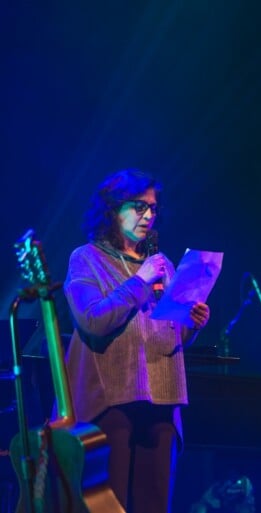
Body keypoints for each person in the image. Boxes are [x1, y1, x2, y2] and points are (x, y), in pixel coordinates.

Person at [63, 168, 210, 513]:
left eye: (153, 209)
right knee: (109, 504)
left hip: (162, 398)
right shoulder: (86, 259)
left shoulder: (162, 265)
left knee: (154, 502)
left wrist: (192, 323)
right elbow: (92, 319)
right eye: (139, 207)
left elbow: (168, 335)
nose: (149, 216)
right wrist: (140, 282)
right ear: (113, 210)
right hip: (112, 400)